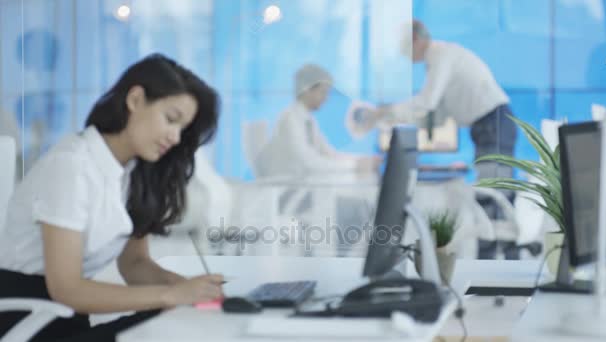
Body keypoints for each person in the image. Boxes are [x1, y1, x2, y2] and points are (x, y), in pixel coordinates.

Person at [0, 54, 223, 341]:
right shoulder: (72, 165)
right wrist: (170, 294)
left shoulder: (132, 173)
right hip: (27, 324)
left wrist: (192, 290)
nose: (176, 137)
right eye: (171, 119)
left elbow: (135, 265)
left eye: (182, 129)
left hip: (68, 320)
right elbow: (66, 289)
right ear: (135, 99)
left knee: (187, 319)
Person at [376, 20, 517, 258]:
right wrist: (392, 118)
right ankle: (495, 267)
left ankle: (496, 271)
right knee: (494, 199)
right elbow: (436, 112)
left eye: (403, 48)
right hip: (489, 125)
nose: (404, 55)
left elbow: (427, 102)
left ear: (415, 39)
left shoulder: (441, 55)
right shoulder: (437, 61)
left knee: (493, 199)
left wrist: (385, 112)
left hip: (493, 124)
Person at [258, 64, 380, 179]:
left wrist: (363, 160)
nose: (326, 98)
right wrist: (355, 166)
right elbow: (309, 164)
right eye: (323, 92)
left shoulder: (308, 119)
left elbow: (329, 154)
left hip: (302, 185)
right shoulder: (290, 119)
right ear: (306, 90)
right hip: (287, 188)